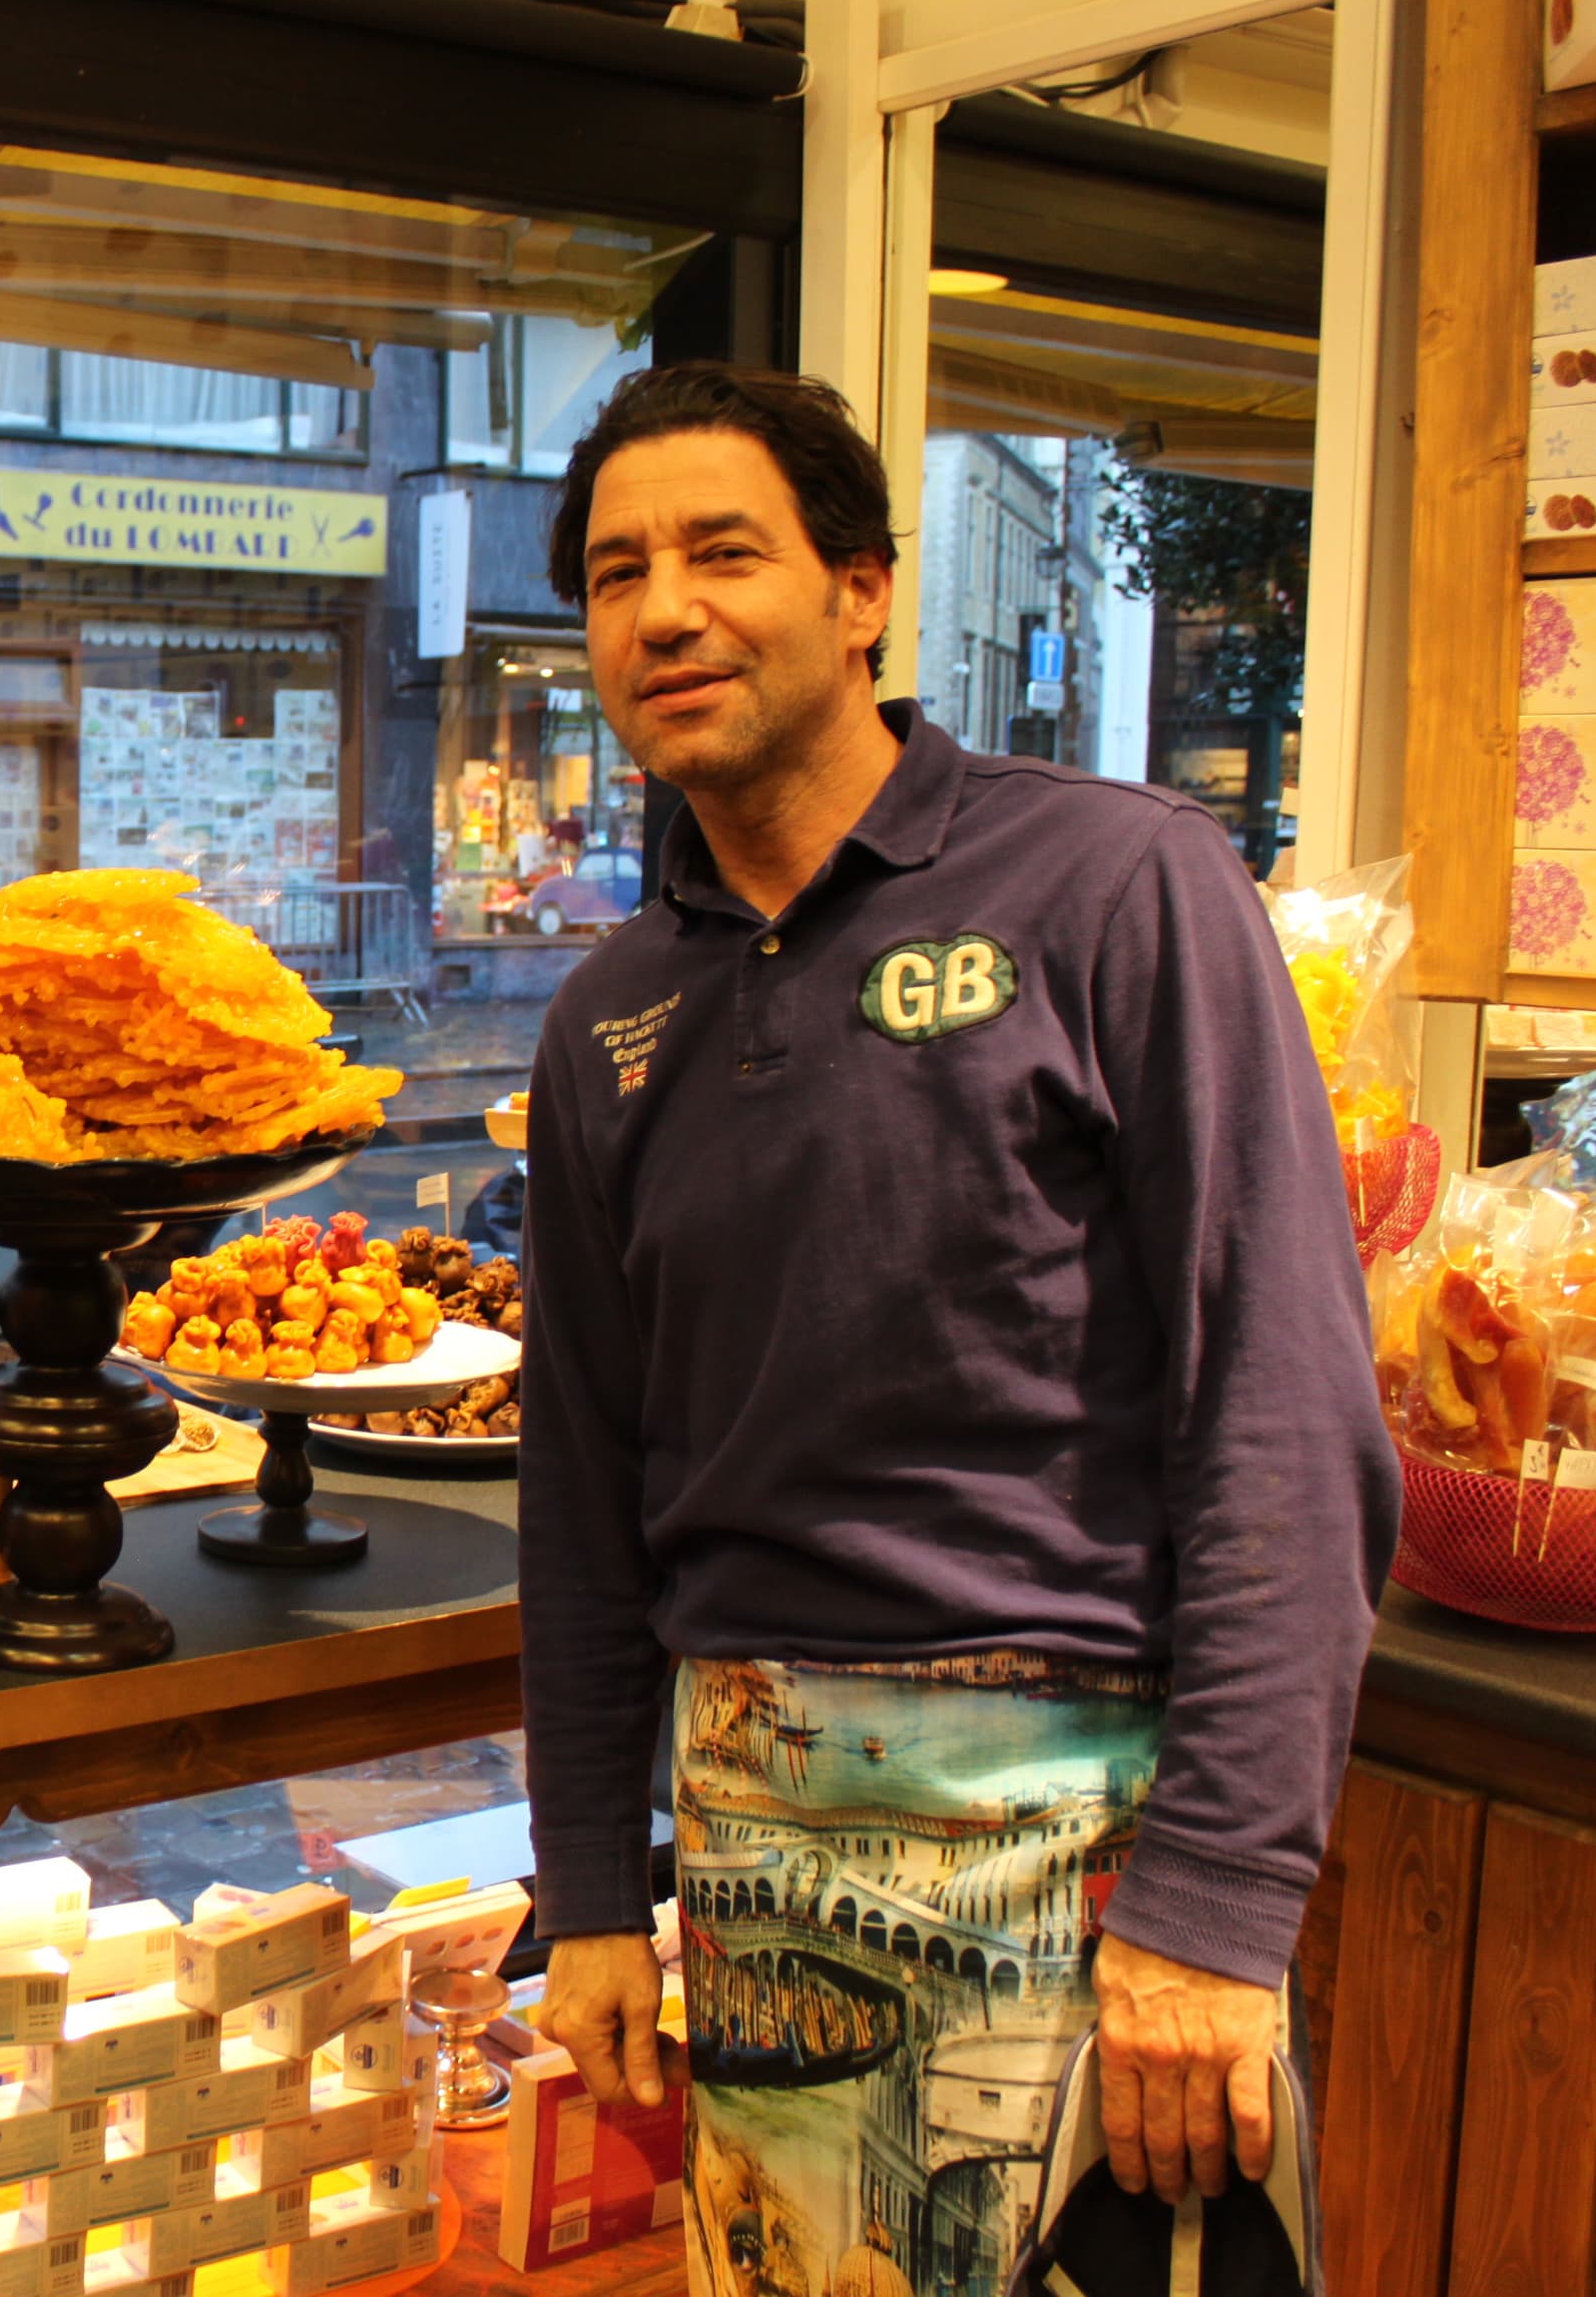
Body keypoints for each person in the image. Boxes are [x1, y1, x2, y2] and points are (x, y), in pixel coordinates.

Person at [513, 362, 1392, 2288]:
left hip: (1091, 1846)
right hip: (751, 1836)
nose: (663, 610)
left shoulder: (1118, 884)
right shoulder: (608, 1020)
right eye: (615, 573)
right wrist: (587, 1883)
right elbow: (581, 1489)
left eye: (723, 551)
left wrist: (1216, 1900)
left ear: (862, 591)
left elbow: (1280, 1406)